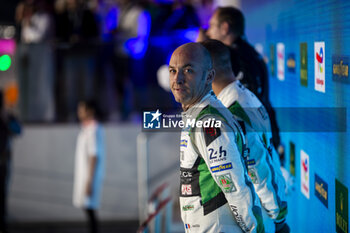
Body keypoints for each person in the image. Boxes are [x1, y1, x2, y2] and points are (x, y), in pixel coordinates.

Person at [169, 42, 264, 233]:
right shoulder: (197, 113)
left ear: (209, 76)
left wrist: (255, 230)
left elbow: (235, 188)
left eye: (188, 70)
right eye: (172, 71)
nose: (177, 79)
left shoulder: (208, 121)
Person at [201, 39, 290, 233]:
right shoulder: (244, 95)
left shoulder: (233, 111)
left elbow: (258, 170)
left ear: (209, 73)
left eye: (193, 70)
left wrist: (278, 221)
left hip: (260, 220)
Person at [204, 6, 281, 151]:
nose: (208, 32)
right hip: (264, 134)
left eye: (212, 25)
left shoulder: (233, 57)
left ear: (225, 27)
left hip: (254, 141)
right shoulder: (249, 52)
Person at [73, 100, 105, 233]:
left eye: (82, 110)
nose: (79, 113)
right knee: (88, 211)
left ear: (90, 111)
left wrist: (89, 181)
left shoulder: (94, 129)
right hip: (86, 176)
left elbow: (94, 155)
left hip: (89, 177)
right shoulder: (87, 128)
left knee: (90, 211)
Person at [0, 90, 21, 233]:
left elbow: (18, 130)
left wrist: (8, 118)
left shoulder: (6, 118)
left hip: (3, 162)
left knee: (2, 198)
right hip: (3, 161)